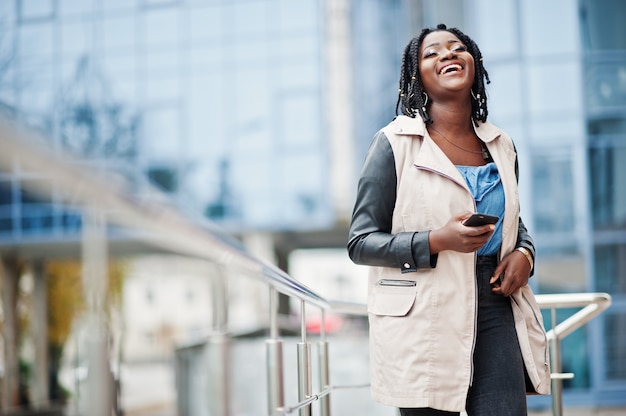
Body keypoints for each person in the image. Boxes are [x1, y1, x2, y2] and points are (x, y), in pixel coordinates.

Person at [347, 24, 550, 416]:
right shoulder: (393, 143)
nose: (448, 55)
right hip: (425, 308)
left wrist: (525, 254)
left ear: (474, 62)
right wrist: (437, 240)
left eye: (457, 48)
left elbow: (513, 222)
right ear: (417, 76)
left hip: (495, 302)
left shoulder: (501, 144)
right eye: (432, 53)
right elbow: (360, 242)